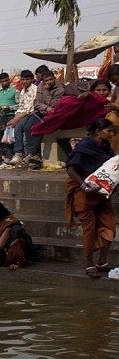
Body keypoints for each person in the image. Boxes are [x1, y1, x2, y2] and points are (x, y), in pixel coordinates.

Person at [65, 118, 116, 278]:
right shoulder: (84, 146)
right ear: (98, 132)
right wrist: (83, 186)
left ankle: (102, 261)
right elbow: (71, 169)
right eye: (109, 131)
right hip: (84, 194)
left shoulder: (107, 148)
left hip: (101, 194)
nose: (112, 134)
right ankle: (89, 264)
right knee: (89, 230)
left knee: (110, 227)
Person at [7, 69, 38, 166]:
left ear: (32, 79)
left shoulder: (35, 89)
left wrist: (16, 119)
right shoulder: (22, 91)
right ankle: (18, 153)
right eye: (23, 79)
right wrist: (14, 119)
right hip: (22, 114)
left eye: (27, 79)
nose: (25, 81)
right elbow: (20, 107)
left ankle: (30, 153)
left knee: (25, 128)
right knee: (16, 128)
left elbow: (29, 108)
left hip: (32, 114)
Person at [0, 73, 20, 164]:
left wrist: (10, 108)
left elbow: (19, 105)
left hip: (10, 117)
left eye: (6, 81)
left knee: (9, 138)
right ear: (0, 82)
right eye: (2, 81)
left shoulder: (15, 91)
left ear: (9, 80)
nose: (4, 83)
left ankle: (8, 158)